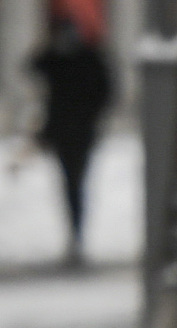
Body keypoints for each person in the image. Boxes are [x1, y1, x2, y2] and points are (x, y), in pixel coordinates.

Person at [25, 11, 114, 269]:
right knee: (71, 182)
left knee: (74, 182)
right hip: (66, 131)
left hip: (78, 131)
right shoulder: (63, 59)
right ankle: (75, 233)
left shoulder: (88, 58)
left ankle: (76, 233)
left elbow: (105, 90)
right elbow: (33, 65)